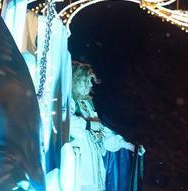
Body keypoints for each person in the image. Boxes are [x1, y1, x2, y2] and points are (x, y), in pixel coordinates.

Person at [59, 62, 144, 191]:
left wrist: (129, 146)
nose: (90, 84)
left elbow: (104, 136)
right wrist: (88, 124)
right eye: (86, 80)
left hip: (96, 174)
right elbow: (67, 123)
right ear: (75, 80)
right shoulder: (68, 100)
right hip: (79, 173)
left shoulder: (88, 106)